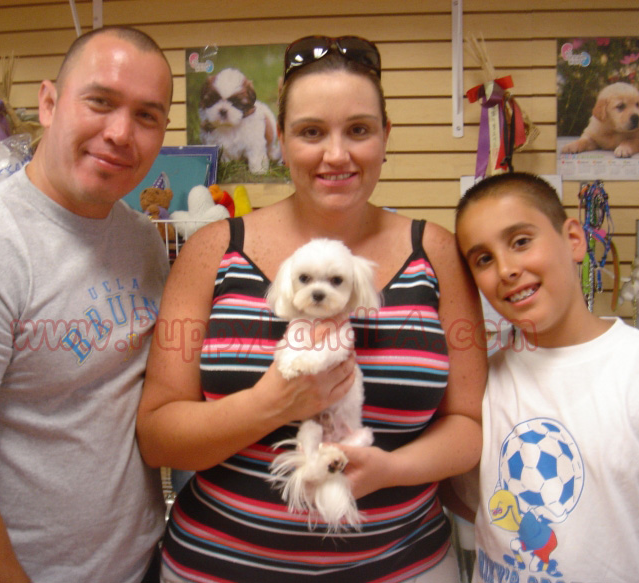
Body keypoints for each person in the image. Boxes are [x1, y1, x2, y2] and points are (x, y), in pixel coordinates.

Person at [137, 35, 487, 582]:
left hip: (404, 567)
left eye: (359, 130)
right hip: (218, 566)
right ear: (279, 139)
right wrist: (271, 404)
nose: (337, 154)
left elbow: (468, 423)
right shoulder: (212, 250)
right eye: (310, 132)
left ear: (386, 137)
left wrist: (391, 469)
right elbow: (158, 434)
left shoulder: (436, 252)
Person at [0, 26, 173, 583]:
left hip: (139, 564)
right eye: (99, 102)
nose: (121, 133)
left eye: (147, 116)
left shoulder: (142, 240)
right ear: (49, 103)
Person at [454, 172, 639, 582]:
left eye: (521, 241)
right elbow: (475, 501)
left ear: (574, 240)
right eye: (484, 259)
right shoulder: (481, 381)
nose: (507, 269)